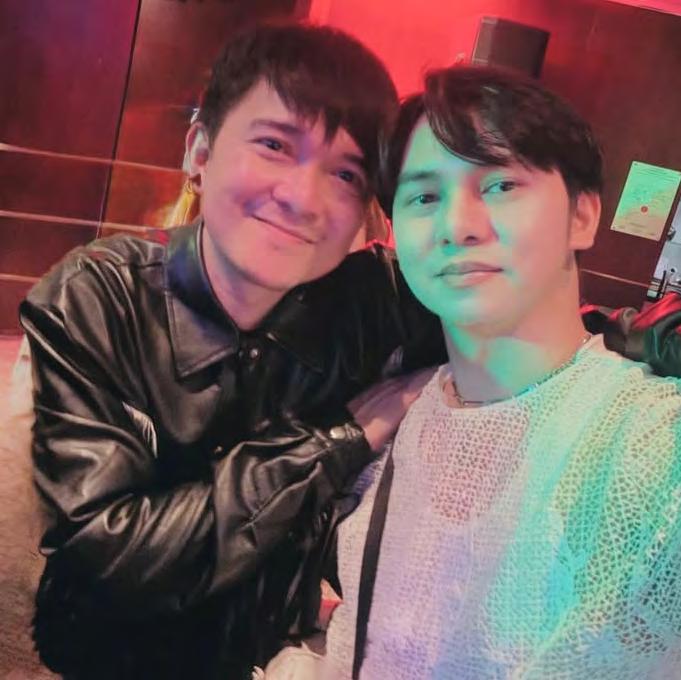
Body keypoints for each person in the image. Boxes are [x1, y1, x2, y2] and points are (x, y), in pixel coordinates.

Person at [19, 22, 440, 680]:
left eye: (346, 173)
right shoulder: (102, 295)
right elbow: (109, 553)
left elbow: (534, 323)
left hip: (273, 656)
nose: (302, 198)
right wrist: (337, 438)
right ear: (200, 149)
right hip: (106, 661)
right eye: (274, 145)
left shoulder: (371, 302)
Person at [318, 66, 681, 679]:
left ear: (582, 215)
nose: (458, 226)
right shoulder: (390, 428)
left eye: (501, 185)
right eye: (424, 197)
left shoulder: (652, 443)